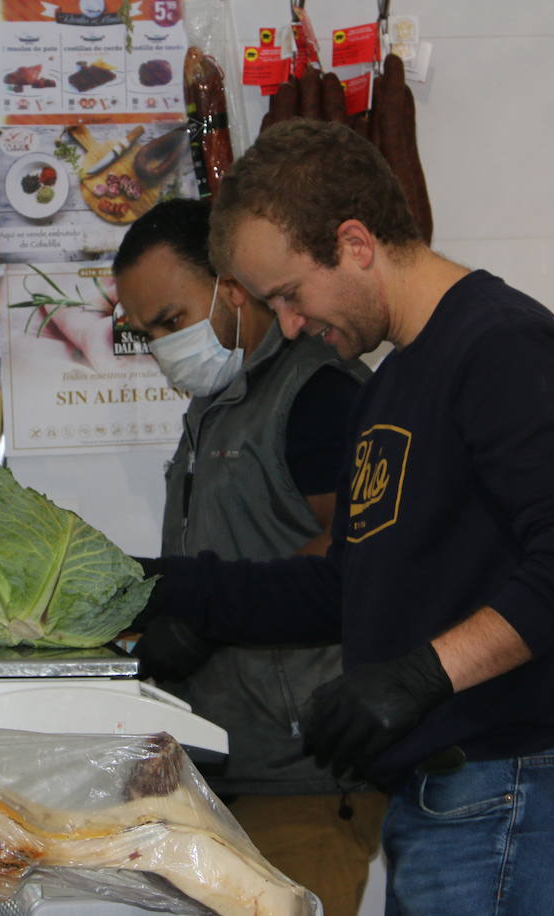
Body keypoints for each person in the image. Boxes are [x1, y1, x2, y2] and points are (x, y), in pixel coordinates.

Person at [142, 119, 554, 914]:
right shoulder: (392, 383)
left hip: (519, 782)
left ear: (357, 242)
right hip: (455, 793)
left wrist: (420, 675)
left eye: (291, 295)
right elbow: (347, 587)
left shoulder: (500, 345)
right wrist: (169, 588)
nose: (293, 325)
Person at [113, 198, 381, 915]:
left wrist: (208, 616)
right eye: (148, 334)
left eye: (172, 320)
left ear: (232, 285)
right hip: (222, 771)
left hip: (305, 777)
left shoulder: (316, 393)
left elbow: (360, 549)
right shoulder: (213, 408)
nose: (165, 346)